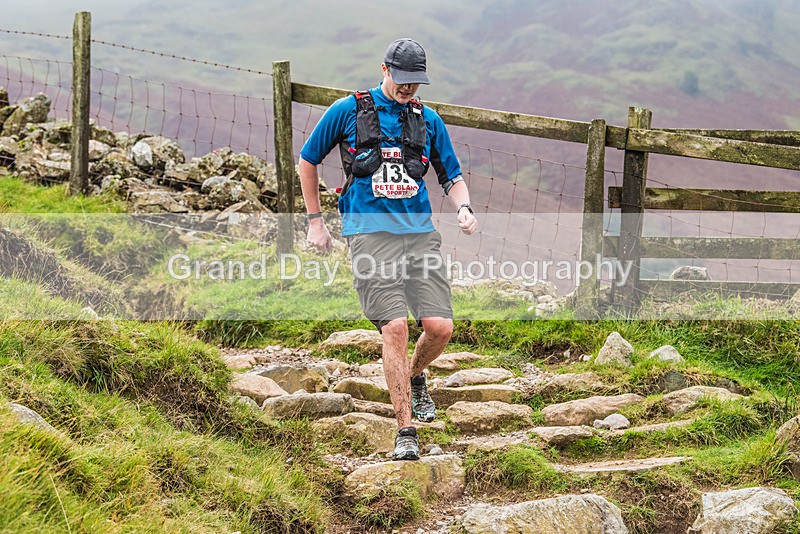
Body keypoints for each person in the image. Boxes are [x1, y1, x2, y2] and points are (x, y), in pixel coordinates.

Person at [299, 38, 478, 461]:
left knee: (440, 329)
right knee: (395, 327)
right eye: (402, 81)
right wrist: (315, 222)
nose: (408, 90)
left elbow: (451, 176)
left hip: (419, 236)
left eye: (416, 83)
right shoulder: (347, 110)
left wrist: (464, 208)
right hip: (368, 235)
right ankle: (406, 431)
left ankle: (414, 377)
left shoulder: (429, 119)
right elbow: (307, 160)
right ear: (384, 70)